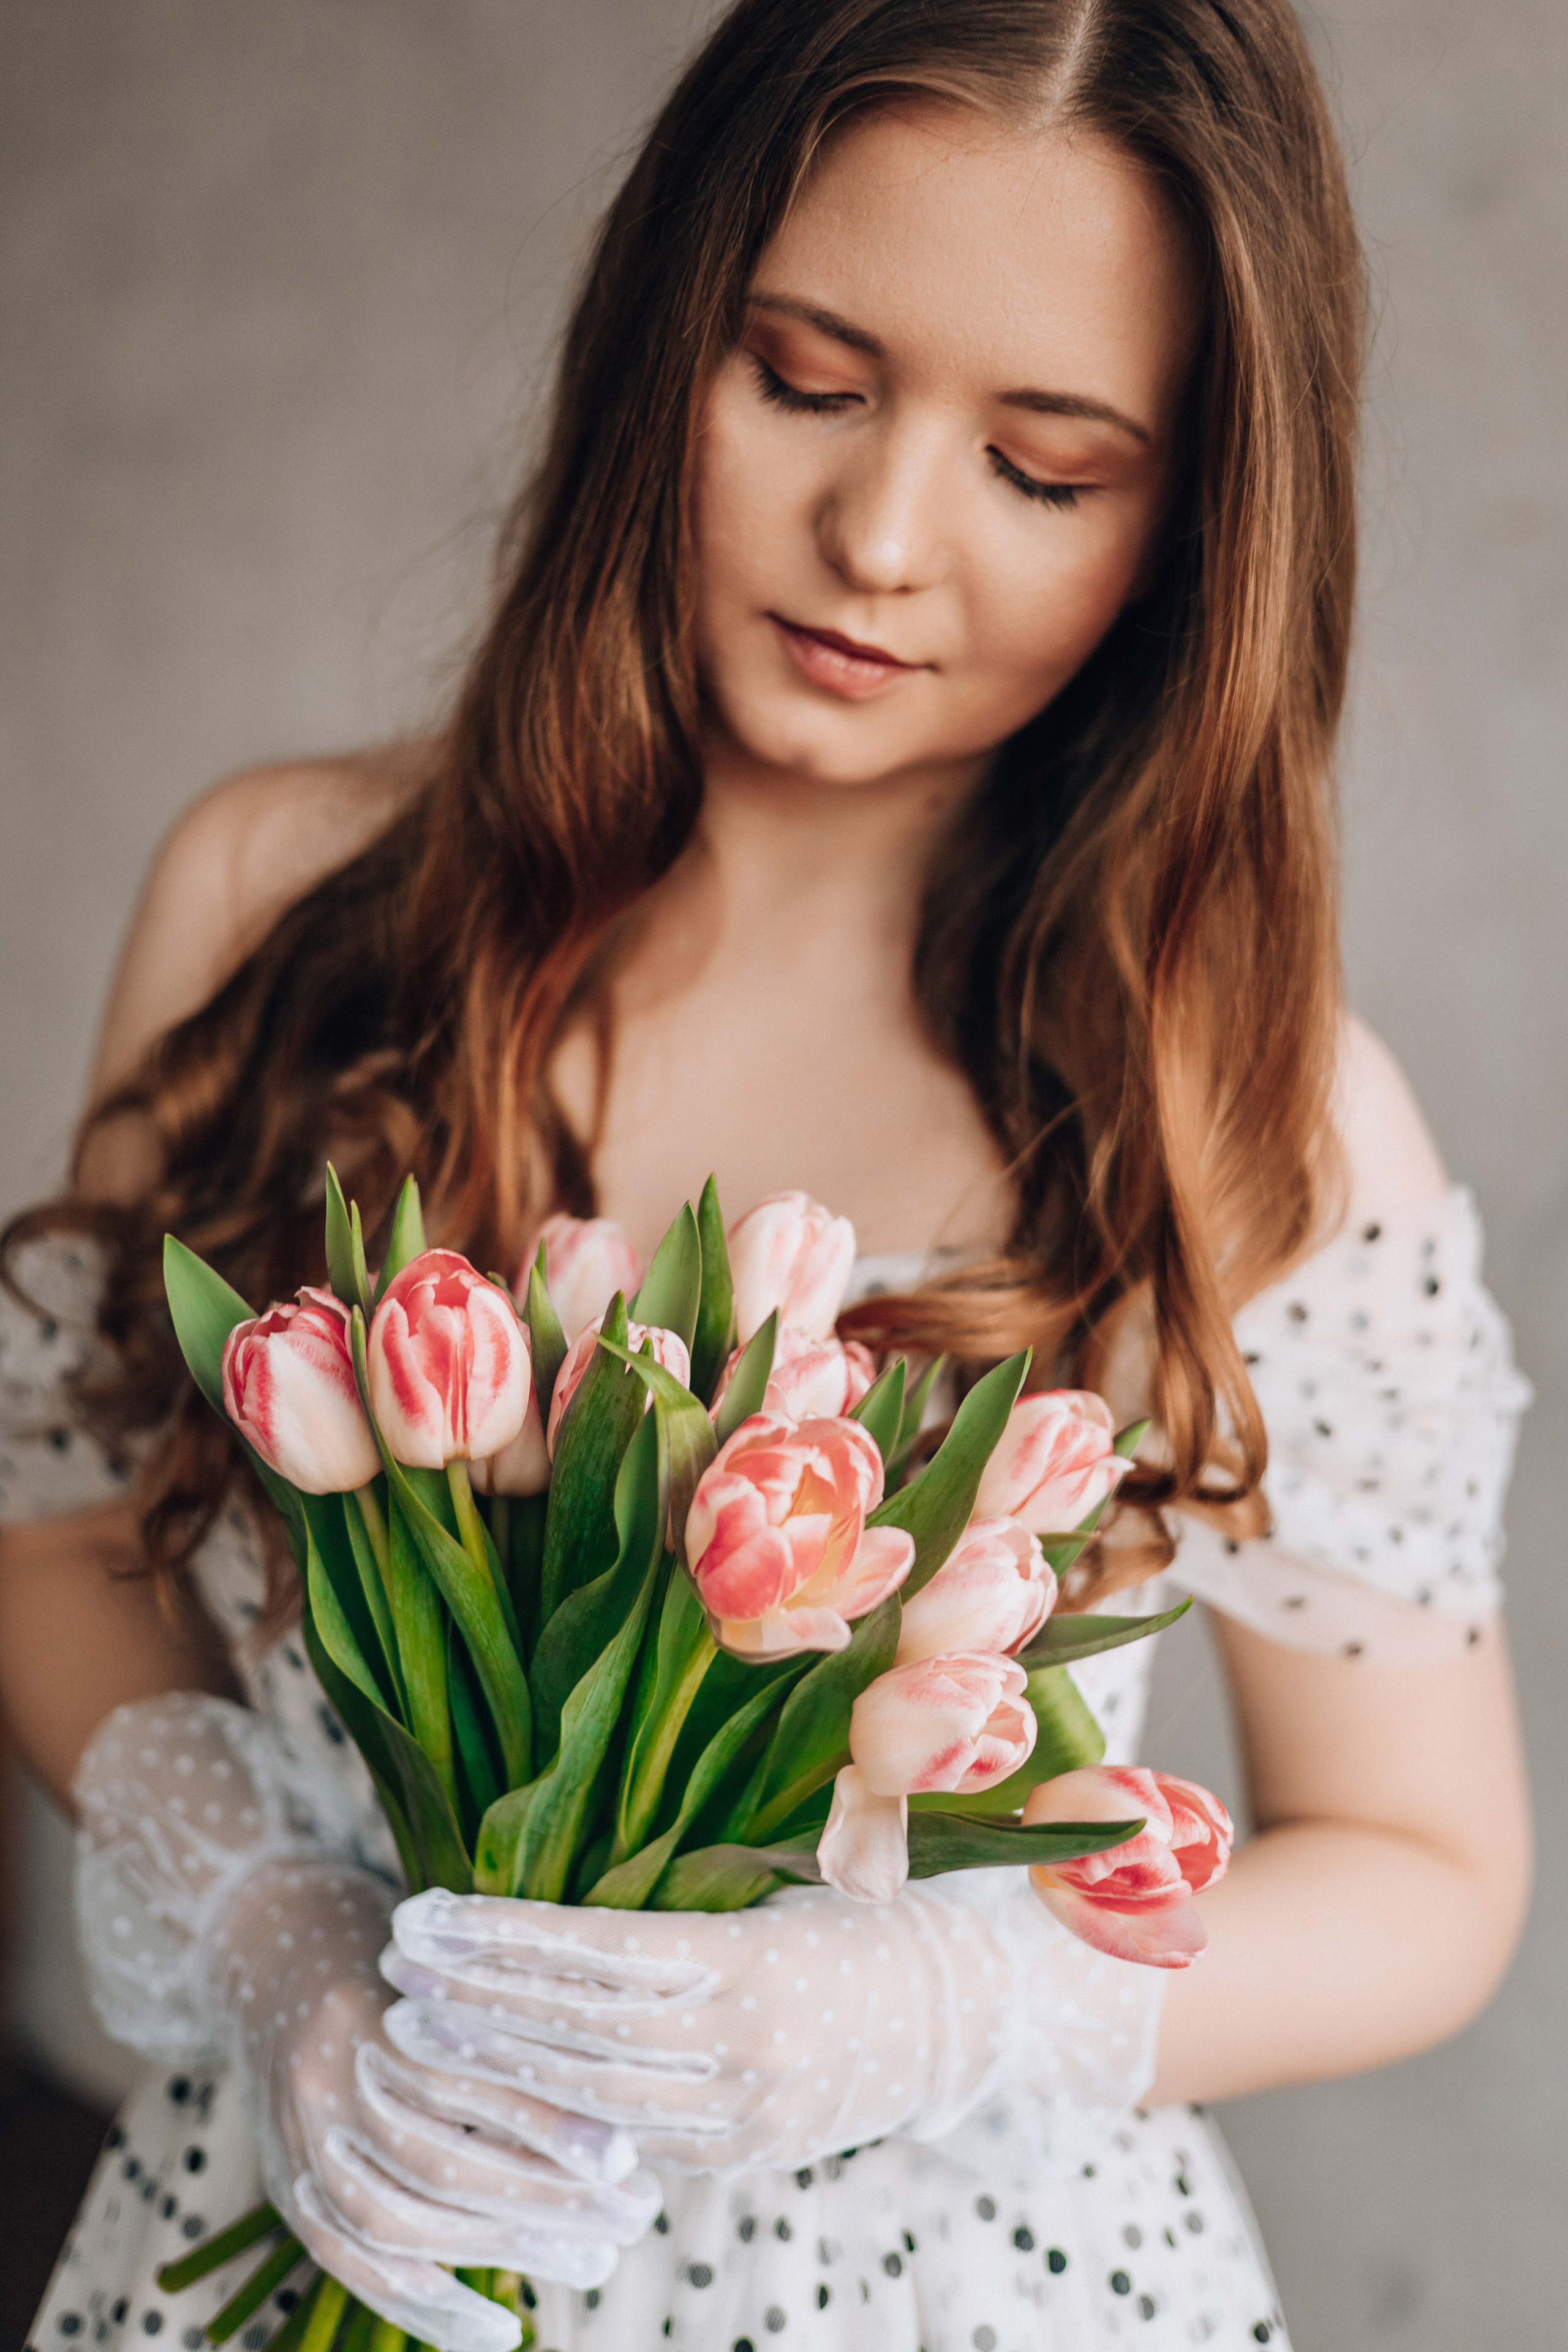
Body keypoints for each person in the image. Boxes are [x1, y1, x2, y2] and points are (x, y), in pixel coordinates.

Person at [0, 2, 1534, 2346]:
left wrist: (928, 2006)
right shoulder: (279, 905)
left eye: (1043, 468)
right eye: (806, 381)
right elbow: (56, 1532)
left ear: (1198, 525)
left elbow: (1427, 1867)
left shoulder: (1240, 1104)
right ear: (662, 333)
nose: (882, 538)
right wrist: (273, 1938)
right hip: (323, 2219)